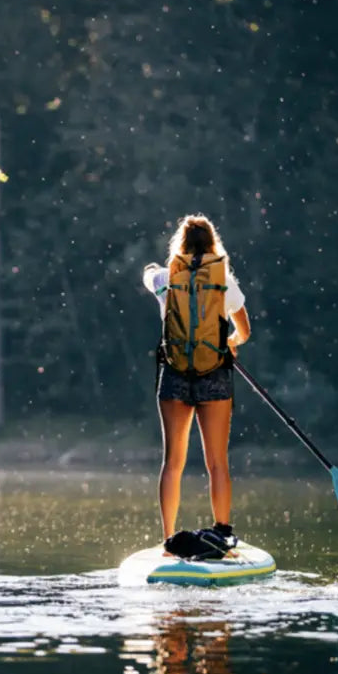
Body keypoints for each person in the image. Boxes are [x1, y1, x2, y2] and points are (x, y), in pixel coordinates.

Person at [142, 214, 251, 555]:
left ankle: (169, 539)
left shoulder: (164, 277)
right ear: (212, 244)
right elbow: (245, 331)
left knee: (172, 461)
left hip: (174, 375)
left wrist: (152, 268)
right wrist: (229, 342)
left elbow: (147, 276)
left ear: (180, 244)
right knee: (217, 461)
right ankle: (221, 534)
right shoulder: (223, 280)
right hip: (214, 374)